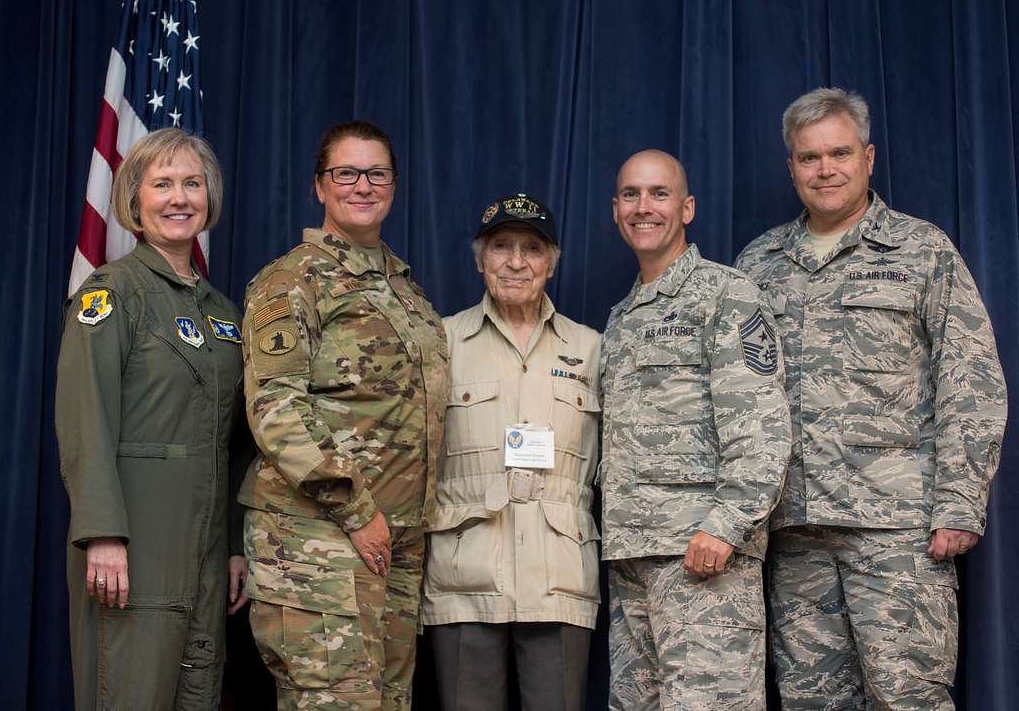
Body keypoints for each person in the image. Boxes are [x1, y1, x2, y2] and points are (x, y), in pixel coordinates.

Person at [735, 87, 1008, 709]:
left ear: (869, 157)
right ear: (791, 168)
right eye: (809, 158)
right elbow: (738, 398)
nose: (825, 169)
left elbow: (972, 378)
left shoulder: (922, 251)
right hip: (793, 530)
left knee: (907, 697)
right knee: (812, 702)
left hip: (898, 528)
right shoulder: (758, 264)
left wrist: (959, 503)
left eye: (839, 153)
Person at [239, 121, 449, 710]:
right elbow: (275, 409)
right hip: (318, 543)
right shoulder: (293, 280)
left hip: (394, 544)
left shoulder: (403, 288)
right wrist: (357, 511)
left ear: (394, 185)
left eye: (376, 173)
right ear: (319, 186)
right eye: (346, 173)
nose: (363, 185)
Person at [56, 128, 253, 710]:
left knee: (199, 694)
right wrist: (102, 533)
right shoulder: (112, 293)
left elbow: (237, 441)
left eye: (192, 183)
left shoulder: (223, 313)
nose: (179, 198)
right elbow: (84, 415)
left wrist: (236, 545)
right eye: (162, 184)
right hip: (132, 550)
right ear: (133, 200)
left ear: (209, 198)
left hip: (207, 554)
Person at [600, 150, 791, 710]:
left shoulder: (726, 294)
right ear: (615, 210)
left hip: (703, 556)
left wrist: (728, 525)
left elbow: (761, 425)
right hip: (634, 554)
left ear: (687, 208)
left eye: (659, 194)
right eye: (631, 195)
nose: (643, 208)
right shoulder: (622, 316)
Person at [422, 194, 602, 711]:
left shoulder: (592, 348)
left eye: (532, 248)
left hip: (558, 579)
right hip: (464, 579)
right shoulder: (441, 340)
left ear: (552, 262)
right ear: (480, 259)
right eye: (501, 246)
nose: (516, 262)